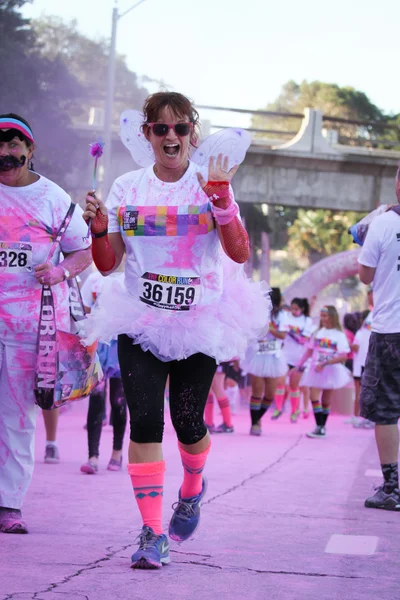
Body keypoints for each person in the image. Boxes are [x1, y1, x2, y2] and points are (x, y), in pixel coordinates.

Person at [82, 92, 268, 568]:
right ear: (146, 135)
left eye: (180, 129)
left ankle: (190, 490)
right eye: (160, 129)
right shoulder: (126, 187)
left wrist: (223, 202)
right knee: (145, 422)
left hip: (199, 321)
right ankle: (151, 532)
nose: (171, 137)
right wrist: (101, 231)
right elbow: (107, 266)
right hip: (140, 319)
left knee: (188, 424)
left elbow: (240, 254)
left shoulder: (210, 185)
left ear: (192, 134)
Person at [0, 113, 92, 533]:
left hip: (28, 332)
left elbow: (84, 252)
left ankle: (9, 505)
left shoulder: (54, 200)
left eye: (14, 145)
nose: (6, 153)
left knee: (17, 417)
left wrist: (60, 272)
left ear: (30, 150)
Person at [358, 172, 400, 510]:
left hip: (390, 330)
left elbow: (365, 275)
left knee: (386, 411)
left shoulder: (384, 224)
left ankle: (392, 487)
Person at [80, 271, 127, 473]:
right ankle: (93, 456)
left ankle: (117, 452)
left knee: (118, 401)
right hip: (99, 345)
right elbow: (86, 309)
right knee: (96, 398)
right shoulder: (94, 279)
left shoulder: (131, 276)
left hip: (122, 345)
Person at [296, 306, 351, 438]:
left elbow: (344, 356)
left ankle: (321, 427)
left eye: (325, 316)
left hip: (331, 370)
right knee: (313, 397)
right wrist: (299, 364)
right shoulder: (318, 332)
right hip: (316, 368)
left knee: (326, 400)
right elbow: (309, 351)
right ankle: (319, 426)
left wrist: (326, 363)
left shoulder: (339, 335)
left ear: (332, 317)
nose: (323, 318)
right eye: (321, 316)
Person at [241, 287, 287, 435]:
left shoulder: (282, 315)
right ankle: (255, 424)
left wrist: (269, 330)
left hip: (273, 357)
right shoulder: (257, 312)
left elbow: (283, 335)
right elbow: (250, 331)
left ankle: (257, 418)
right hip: (257, 354)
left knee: (270, 394)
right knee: (257, 390)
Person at [278, 298, 313, 422]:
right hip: (286, 354)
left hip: (299, 358)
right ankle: (278, 407)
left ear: (302, 309)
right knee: (280, 381)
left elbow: (304, 339)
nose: (293, 311)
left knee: (294, 386)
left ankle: (295, 411)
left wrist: (290, 333)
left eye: (296, 309)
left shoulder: (307, 321)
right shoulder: (286, 317)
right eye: (292, 308)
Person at [204, 367, 234, 433]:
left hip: (218, 360)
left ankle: (228, 424)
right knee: (208, 386)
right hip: (210, 358)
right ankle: (209, 423)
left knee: (217, 386)